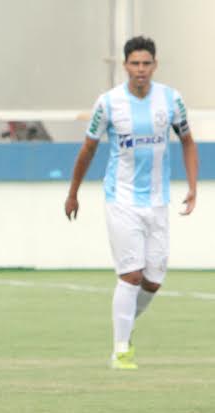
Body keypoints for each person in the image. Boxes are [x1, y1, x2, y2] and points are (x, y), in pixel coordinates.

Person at [65, 36, 197, 370]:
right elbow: (88, 149)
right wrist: (73, 192)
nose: (141, 69)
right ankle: (121, 348)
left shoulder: (171, 100)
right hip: (121, 199)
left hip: (158, 201)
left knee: (153, 280)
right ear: (125, 66)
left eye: (146, 63)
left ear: (155, 65)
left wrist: (193, 187)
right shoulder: (109, 103)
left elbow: (187, 141)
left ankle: (124, 325)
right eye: (135, 63)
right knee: (132, 275)